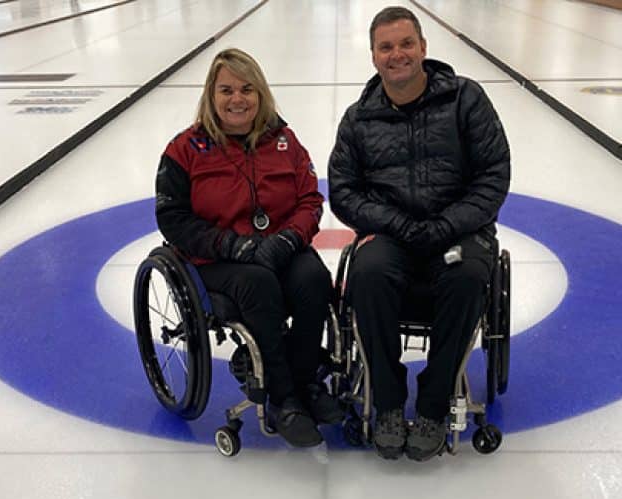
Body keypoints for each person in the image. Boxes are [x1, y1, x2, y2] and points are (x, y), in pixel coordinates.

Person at [328, 7, 510, 461]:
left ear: (424, 48)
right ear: (373, 56)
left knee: (468, 275)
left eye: (406, 44)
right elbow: (344, 193)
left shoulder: (466, 100)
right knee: (367, 272)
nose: (398, 55)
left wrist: (446, 225)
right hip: (394, 235)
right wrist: (398, 225)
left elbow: (493, 176)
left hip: (457, 232)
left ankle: (432, 405)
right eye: (386, 47)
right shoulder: (358, 119)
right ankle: (388, 403)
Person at [155, 48, 342, 448]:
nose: (236, 99)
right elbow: (173, 219)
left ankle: (306, 380)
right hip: (216, 260)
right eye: (226, 90)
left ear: (261, 94)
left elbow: (310, 199)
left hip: (277, 247)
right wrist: (232, 244)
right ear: (211, 94)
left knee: (312, 279)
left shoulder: (284, 142)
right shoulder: (185, 149)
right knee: (258, 285)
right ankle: (283, 396)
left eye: (246, 89)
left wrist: (289, 239)